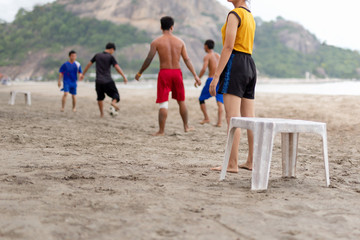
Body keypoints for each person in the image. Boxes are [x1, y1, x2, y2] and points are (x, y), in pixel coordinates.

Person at [210, 0, 257, 172]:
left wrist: (216, 76)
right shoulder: (250, 16)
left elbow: (228, 47)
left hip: (235, 63)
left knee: (233, 118)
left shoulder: (234, 14)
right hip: (250, 64)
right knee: (249, 118)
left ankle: (232, 164)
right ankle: (251, 161)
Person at [135, 16, 201, 136]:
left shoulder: (156, 42)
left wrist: (140, 72)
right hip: (177, 72)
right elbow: (187, 59)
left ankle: (161, 131)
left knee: (163, 102)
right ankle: (186, 126)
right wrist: (195, 75)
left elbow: (149, 59)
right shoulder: (180, 42)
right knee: (181, 101)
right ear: (172, 27)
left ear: (161, 27)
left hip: (164, 73)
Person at [81, 43, 128, 117]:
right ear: (112, 49)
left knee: (100, 97)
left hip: (98, 81)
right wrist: (124, 76)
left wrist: (83, 74)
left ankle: (101, 114)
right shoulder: (110, 57)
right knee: (116, 95)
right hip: (108, 80)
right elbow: (117, 67)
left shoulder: (97, 55)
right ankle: (113, 102)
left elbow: (88, 64)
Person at [198, 39, 223, 127]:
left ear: (206, 46)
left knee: (201, 99)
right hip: (219, 79)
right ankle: (219, 122)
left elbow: (204, 69)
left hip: (211, 80)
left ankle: (206, 118)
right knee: (220, 102)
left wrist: (198, 78)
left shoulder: (207, 56)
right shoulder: (218, 55)